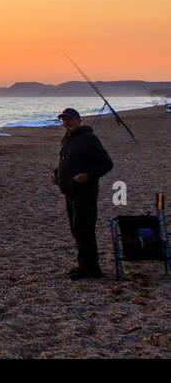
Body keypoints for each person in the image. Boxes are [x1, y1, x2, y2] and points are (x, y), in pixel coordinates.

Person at [51, 108, 114, 280]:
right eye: (63, 120)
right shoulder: (67, 139)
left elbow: (106, 163)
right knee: (76, 229)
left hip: (85, 192)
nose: (66, 123)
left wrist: (88, 176)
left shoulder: (88, 138)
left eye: (69, 119)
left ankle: (92, 269)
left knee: (84, 229)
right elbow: (67, 160)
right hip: (70, 192)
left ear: (79, 120)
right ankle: (84, 264)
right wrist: (57, 173)